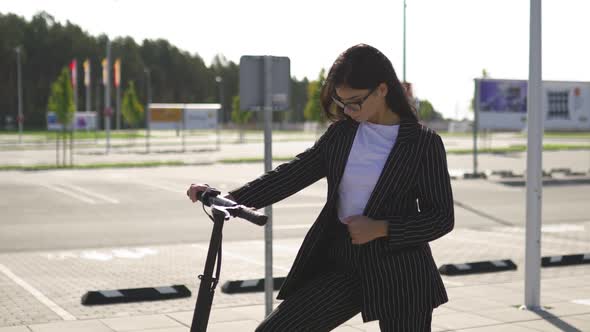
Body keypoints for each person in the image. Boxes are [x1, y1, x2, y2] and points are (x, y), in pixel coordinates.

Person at [187, 44, 454, 332]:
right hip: (344, 263)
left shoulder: (423, 143)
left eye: (355, 102)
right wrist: (232, 199)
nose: (348, 111)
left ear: (382, 89)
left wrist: (382, 228)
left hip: (400, 271)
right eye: (342, 103)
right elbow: (294, 173)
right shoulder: (342, 133)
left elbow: (441, 217)